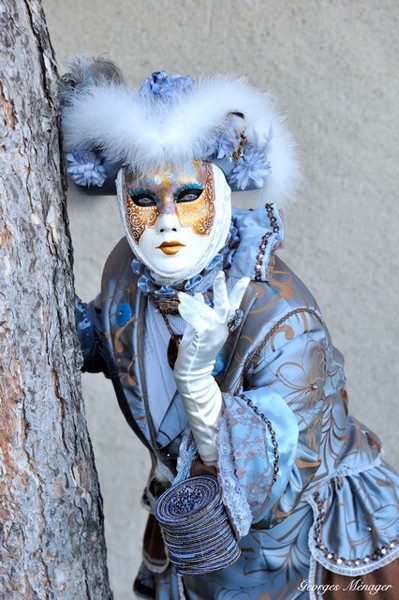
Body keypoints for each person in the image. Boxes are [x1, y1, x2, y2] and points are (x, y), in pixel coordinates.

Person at [62, 56, 399, 599]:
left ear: (219, 193)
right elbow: (111, 339)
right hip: (193, 539)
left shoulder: (283, 320)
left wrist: (198, 384)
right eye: (146, 200)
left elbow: (280, 487)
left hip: (293, 545)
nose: (167, 219)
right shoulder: (128, 274)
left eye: (188, 196)